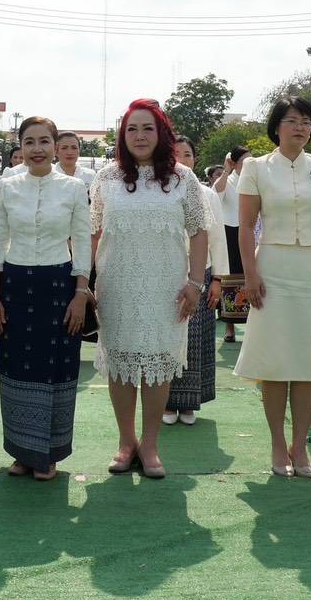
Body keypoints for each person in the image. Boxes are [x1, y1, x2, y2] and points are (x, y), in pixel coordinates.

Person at [233, 96, 311, 478]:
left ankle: (300, 446)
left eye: (306, 121)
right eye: (292, 120)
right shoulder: (255, 167)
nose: (300, 127)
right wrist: (250, 274)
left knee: (307, 362)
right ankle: (276, 443)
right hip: (272, 270)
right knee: (274, 362)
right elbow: (246, 227)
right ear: (276, 126)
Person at [90, 100, 209, 478]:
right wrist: (88, 283)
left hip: (167, 288)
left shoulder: (183, 178)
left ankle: (151, 444)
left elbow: (199, 231)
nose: (139, 136)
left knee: (158, 364)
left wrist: (195, 283)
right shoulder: (106, 178)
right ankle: (127, 443)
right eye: (132, 129)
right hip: (117, 286)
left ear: (162, 134)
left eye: (147, 128)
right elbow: (93, 232)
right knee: (120, 363)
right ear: (122, 136)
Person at [0, 116, 91, 480]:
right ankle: (21, 452)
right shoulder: (7, 185)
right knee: (15, 365)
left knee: (56, 368)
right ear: (20, 147)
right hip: (14, 286)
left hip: (59, 286)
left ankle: (48, 455)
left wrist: (81, 294)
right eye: (29, 142)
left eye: (44, 141)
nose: (37, 149)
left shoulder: (73, 188)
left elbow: (82, 243)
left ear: (55, 147)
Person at [165, 135, 228, 426]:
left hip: (199, 275)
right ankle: (166, 402)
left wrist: (217, 279)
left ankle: (189, 405)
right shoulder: (159, 190)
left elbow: (217, 239)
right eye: (175, 154)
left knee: (195, 340)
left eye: (187, 154)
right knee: (167, 338)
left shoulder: (208, 194)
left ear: (195, 159)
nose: (181, 159)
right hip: (166, 273)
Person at [214, 146, 250, 343]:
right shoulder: (227, 180)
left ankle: (252, 325)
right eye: (244, 161)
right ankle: (229, 326)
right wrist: (226, 170)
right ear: (234, 163)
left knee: (250, 276)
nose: (249, 164)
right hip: (230, 231)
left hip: (251, 231)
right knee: (229, 278)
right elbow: (216, 194)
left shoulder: (255, 179)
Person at [54, 130, 96, 196]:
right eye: (64, 148)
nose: (69, 152)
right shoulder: (49, 175)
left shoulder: (90, 175)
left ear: (79, 150)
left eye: (74, 148)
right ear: (56, 151)